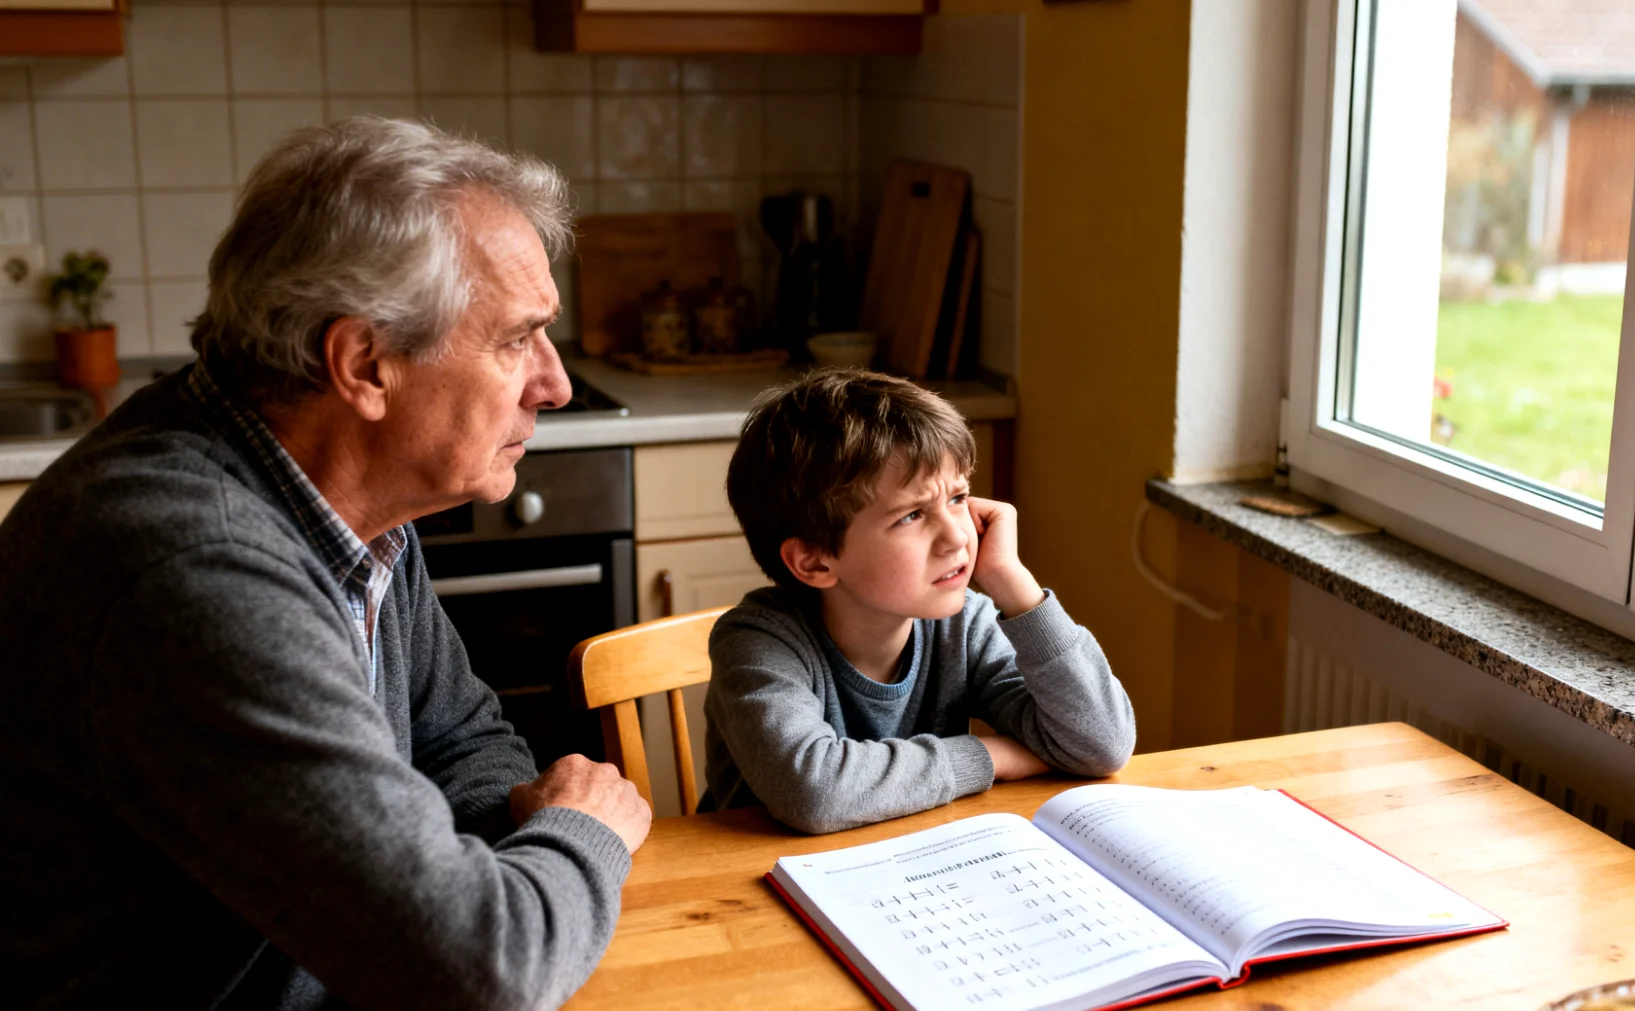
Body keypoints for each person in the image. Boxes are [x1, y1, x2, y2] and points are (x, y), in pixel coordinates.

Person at [0, 118, 652, 1010]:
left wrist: (471, 884)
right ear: (364, 364)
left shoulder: (347, 492)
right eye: (515, 339)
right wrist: (583, 831)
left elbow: (464, 740)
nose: (556, 383)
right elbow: (475, 967)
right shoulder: (194, 566)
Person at [701, 368, 1136, 835]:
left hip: (907, 867)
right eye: (911, 515)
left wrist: (1012, 583)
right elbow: (815, 792)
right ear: (814, 560)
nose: (957, 537)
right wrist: (991, 755)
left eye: (958, 497)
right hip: (757, 884)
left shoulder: (964, 626)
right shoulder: (757, 643)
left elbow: (1101, 745)